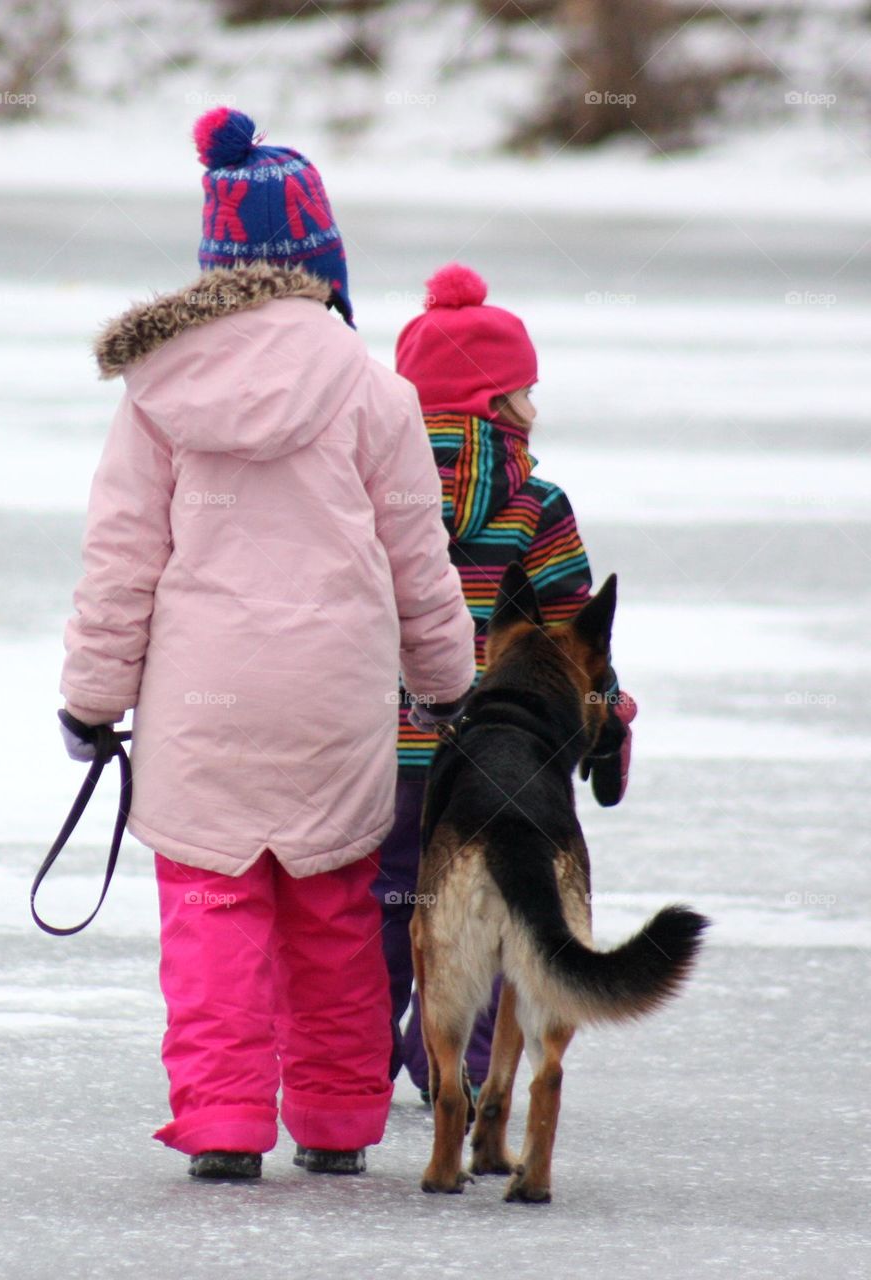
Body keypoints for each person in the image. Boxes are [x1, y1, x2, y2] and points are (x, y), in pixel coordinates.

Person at [57, 110, 475, 1181]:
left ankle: (224, 1123)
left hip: (204, 704)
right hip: (333, 700)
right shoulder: (374, 390)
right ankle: (336, 1117)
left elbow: (121, 562)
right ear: (321, 265)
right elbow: (417, 559)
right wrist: (444, 683)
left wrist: (93, 701)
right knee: (334, 911)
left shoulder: (156, 394)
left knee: (211, 914)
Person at [376, 263, 637, 1099]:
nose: (535, 404)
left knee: (373, 916)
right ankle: (462, 1070)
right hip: (498, 761)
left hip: (371, 753)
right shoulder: (539, 503)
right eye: (526, 389)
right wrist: (610, 715)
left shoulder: (366, 492)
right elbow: (575, 639)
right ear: (502, 404)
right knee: (486, 919)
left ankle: (343, 1070)